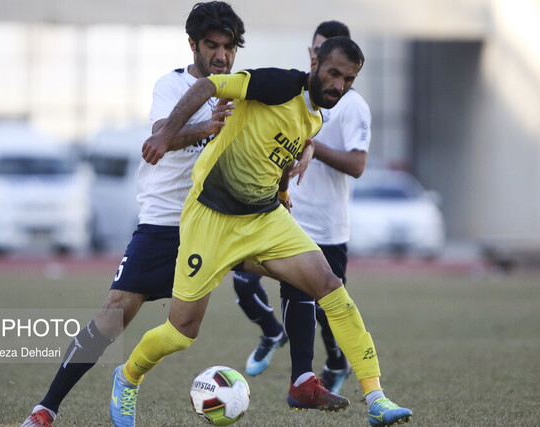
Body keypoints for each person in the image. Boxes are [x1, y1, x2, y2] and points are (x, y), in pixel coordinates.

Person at [110, 37, 413, 427]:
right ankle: (128, 375)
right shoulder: (280, 84)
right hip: (211, 219)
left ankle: (376, 398)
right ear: (316, 63)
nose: (339, 85)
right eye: (334, 73)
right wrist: (167, 133)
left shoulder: (317, 116)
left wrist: (283, 189)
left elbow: (282, 150)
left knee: (329, 285)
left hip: (264, 219)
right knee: (182, 331)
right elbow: (209, 86)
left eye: (349, 79)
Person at [21, 2, 245, 426]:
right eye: (212, 45)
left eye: (229, 47)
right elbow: (161, 137)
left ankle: (304, 366)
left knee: (187, 331)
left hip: (213, 224)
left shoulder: (241, 89)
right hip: (163, 223)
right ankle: (46, 408)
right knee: (113, 316)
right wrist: (205, 128)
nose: (221, 55)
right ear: (193, 44)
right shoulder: (172, 85)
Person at [234, 20, 370, 407]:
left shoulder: (351, 105)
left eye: (326, 51)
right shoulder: (299, 96)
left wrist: (311, 144)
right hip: (288, 216)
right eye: (316, 50)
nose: (317, 55)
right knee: (245, 281)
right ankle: (274, 336)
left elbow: (358, 165)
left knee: (324, 304)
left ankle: (335, 365)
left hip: (327, 227)